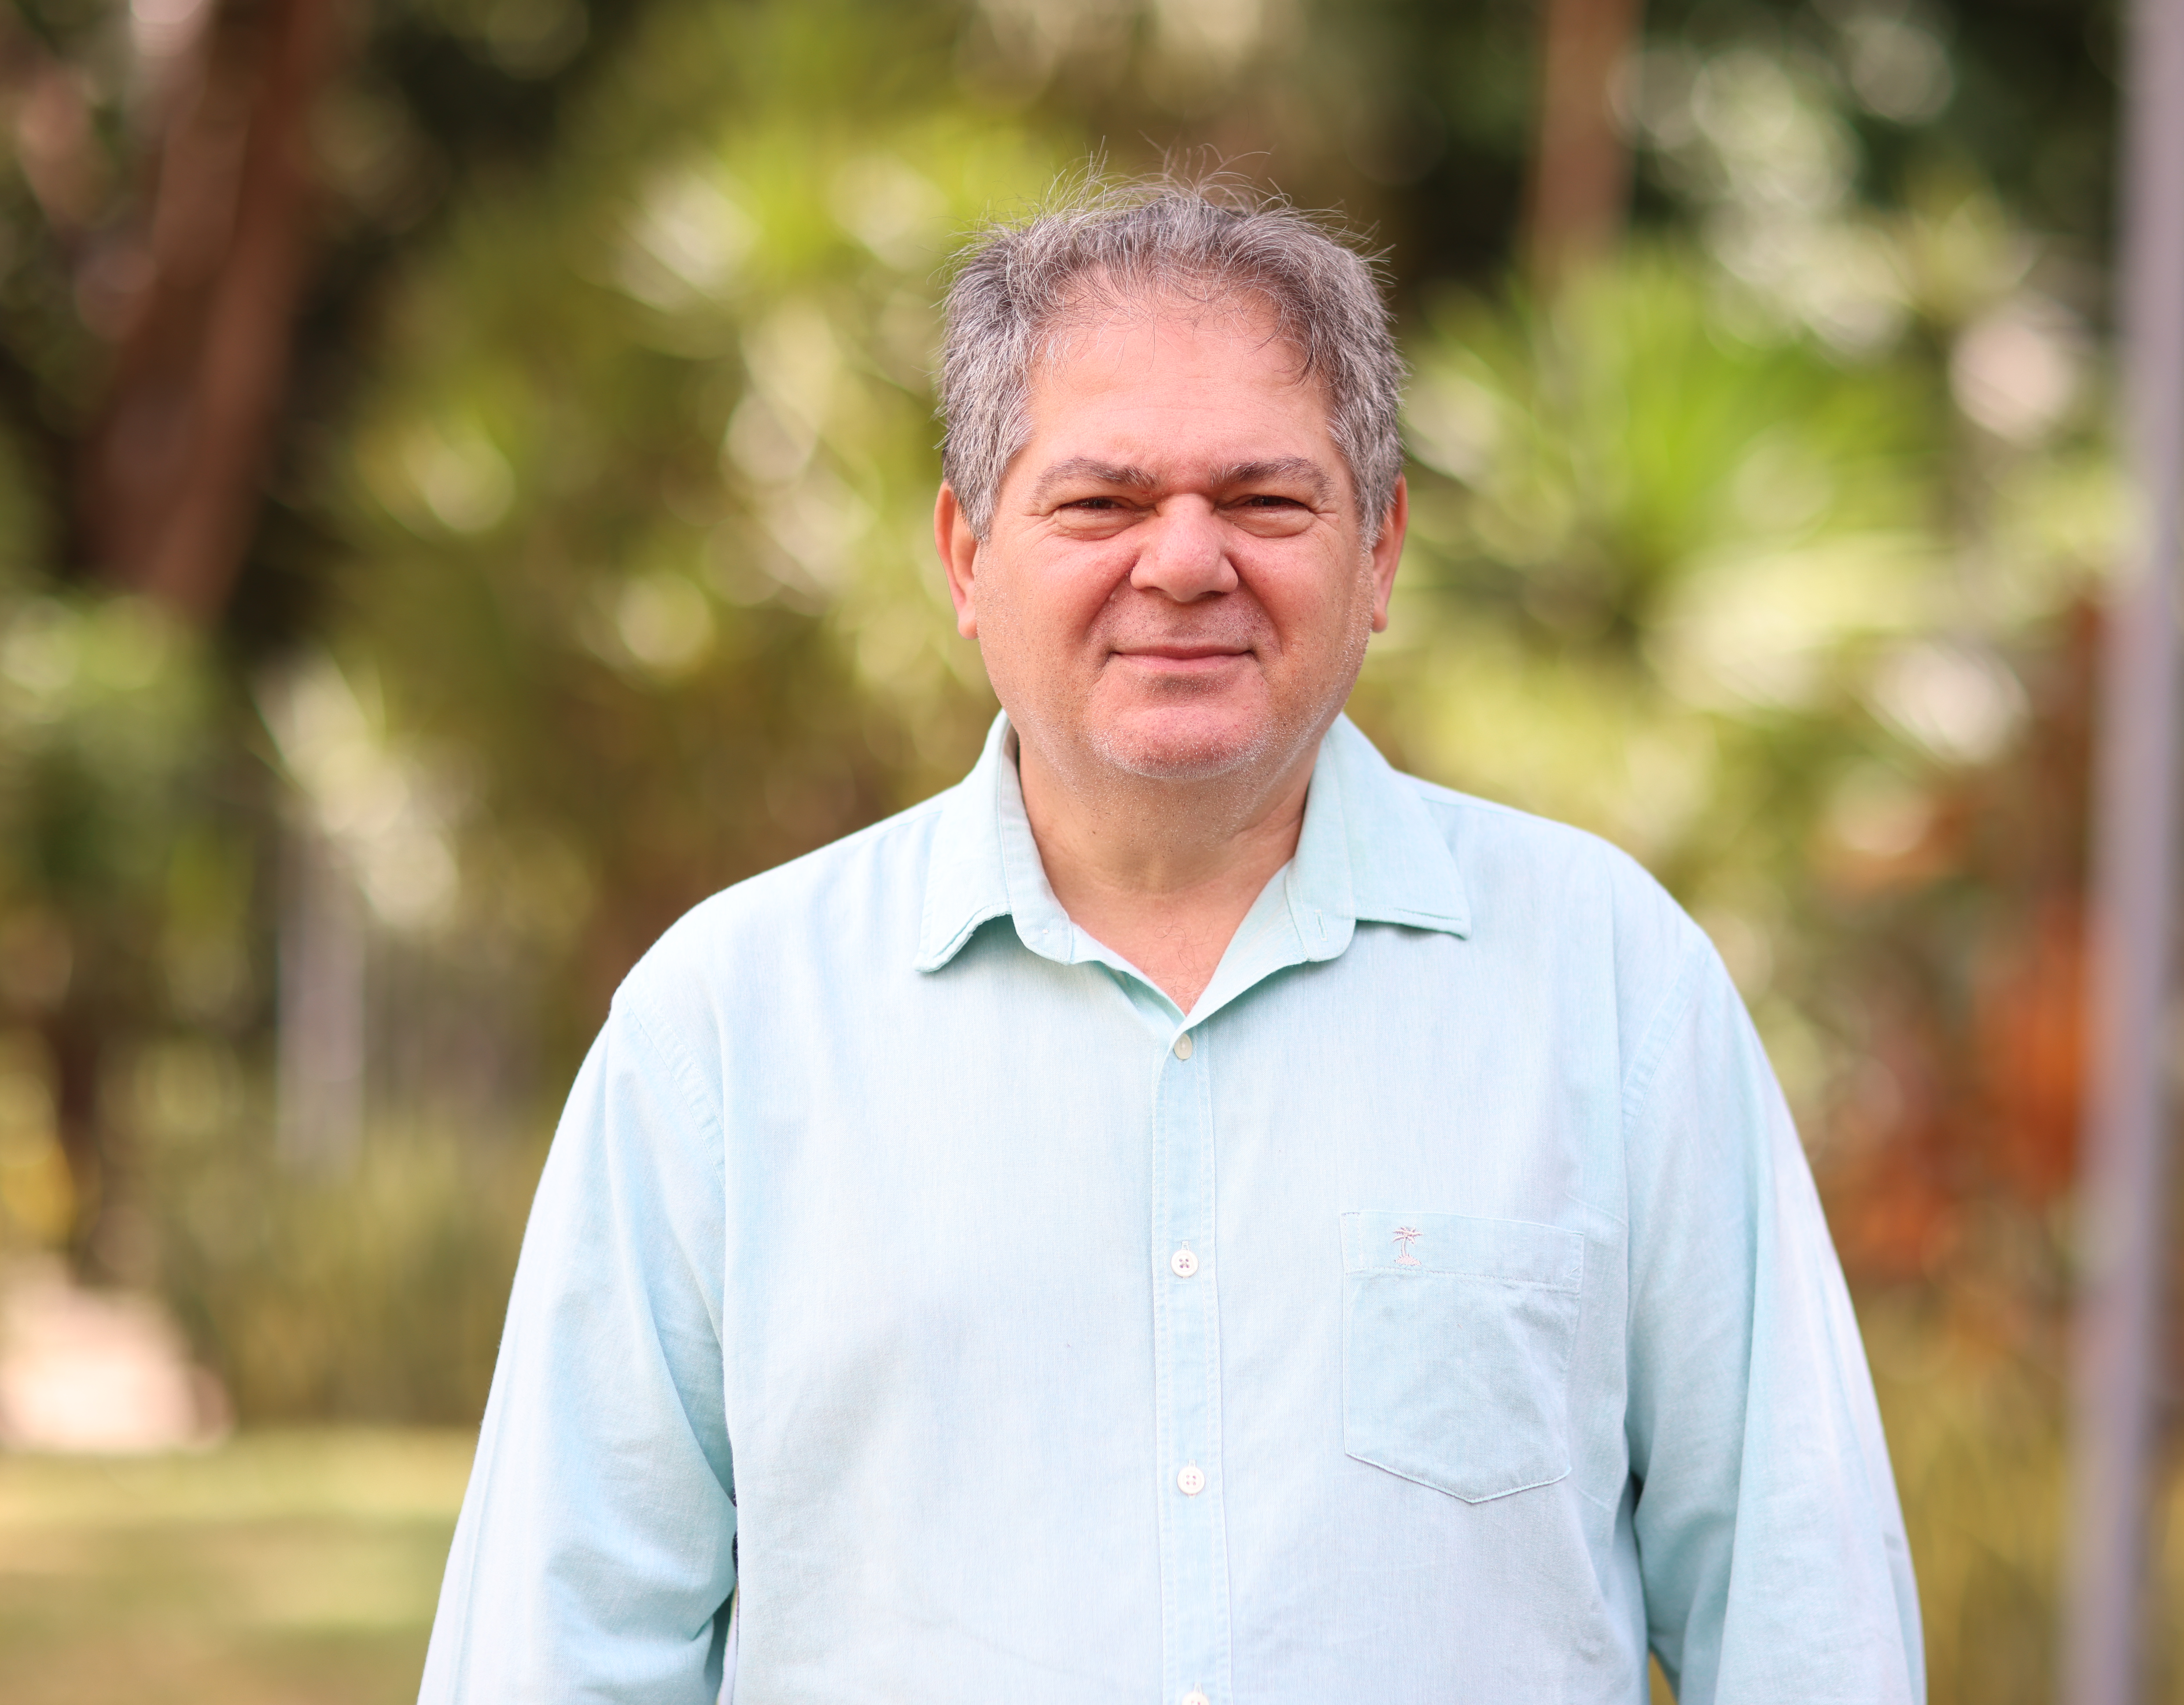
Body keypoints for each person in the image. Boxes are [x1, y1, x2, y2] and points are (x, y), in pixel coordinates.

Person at [418, 178, 1923, 1705]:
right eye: (1104, 502)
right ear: (964, 556)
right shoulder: (726, 1029)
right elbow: (564, 1648)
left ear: (1382, 552)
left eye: (1267, 502)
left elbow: (1805, 1621)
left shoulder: (1612, 985)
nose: (1188, 562)